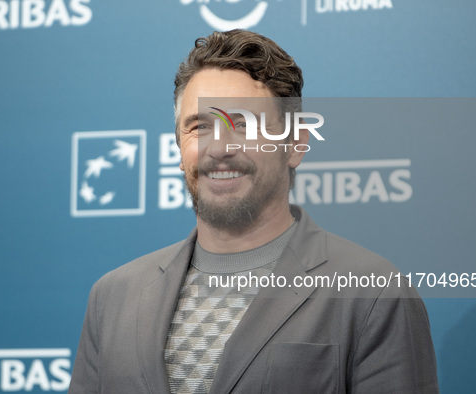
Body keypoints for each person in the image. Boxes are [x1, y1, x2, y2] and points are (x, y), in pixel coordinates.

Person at [69, 30, 439, 393]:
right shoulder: (112, 297)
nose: (219, 148)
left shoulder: (374, 292)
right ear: (179, 149)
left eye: (244, 125)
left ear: (295, 145)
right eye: (200, 127)